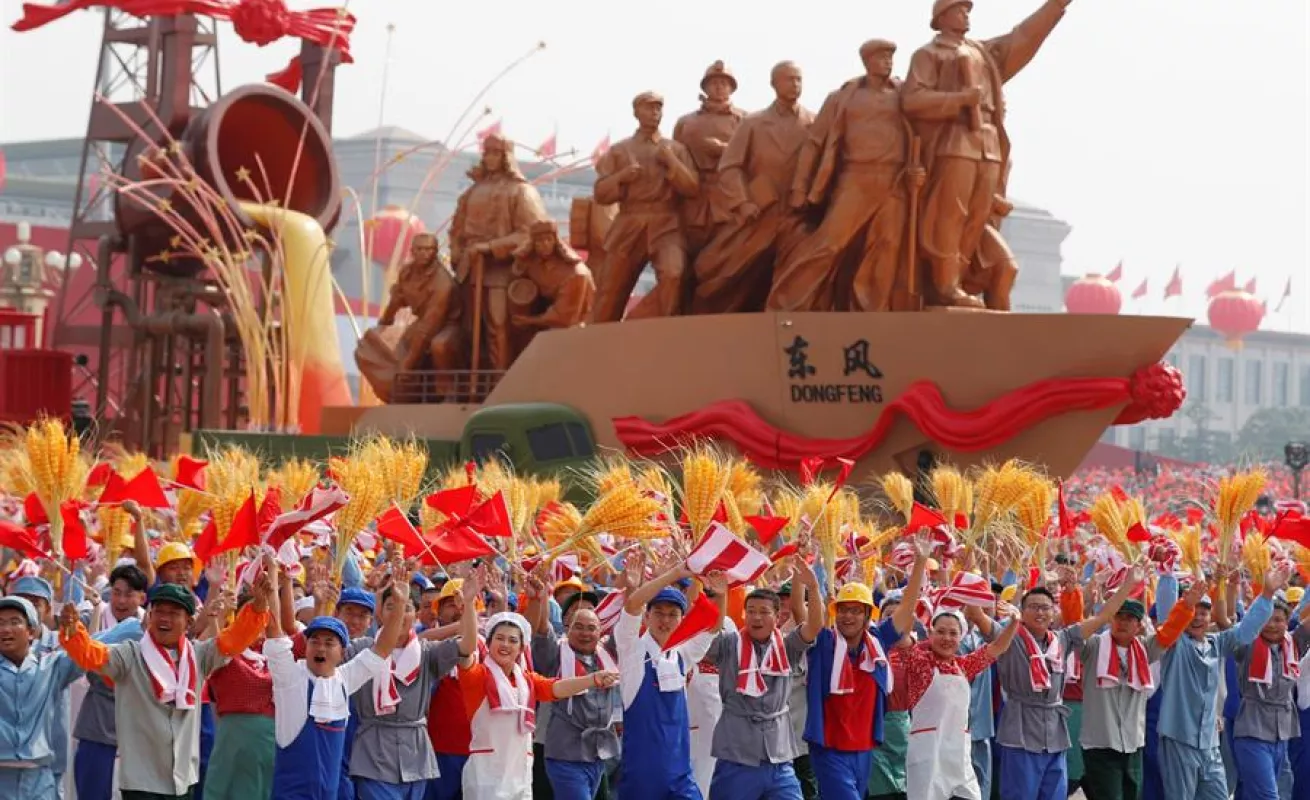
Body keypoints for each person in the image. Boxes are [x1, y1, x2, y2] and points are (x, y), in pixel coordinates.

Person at [58, 572, 272, 799]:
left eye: (174, 613)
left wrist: (258, 607)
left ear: (189, 622)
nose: (164, 619)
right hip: (142, 781)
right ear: (149, 616)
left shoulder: (199, 656)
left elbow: (234, 640)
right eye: (159, 611)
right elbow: (93, 655)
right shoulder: (131, 654)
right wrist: (73, 633)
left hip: (182, 779)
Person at [455, 573, 619, 799]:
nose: (506, 645)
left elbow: (556, 688)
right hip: (487, 776)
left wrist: (592, 679)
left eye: (513, 640)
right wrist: (468, 605)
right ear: (489, 642)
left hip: (520, 774)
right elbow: (466, 648)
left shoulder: (526, 679)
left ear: (521, 648)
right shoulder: (477, 676)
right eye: (499, 638)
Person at [992, 566, 1143, 800]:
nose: (1040, 612)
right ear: (1022, 611)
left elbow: (1103, 616)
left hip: (1054, 736)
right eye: (1033, 607)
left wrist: (1128, 585)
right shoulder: (1009, 637)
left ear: (1054, 612)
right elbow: (979, 618)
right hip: (1020, 734)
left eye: (1045, 607)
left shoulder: (1063, 639)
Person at [265, 562, 411, 799]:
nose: (320, 647)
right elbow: (274, 630)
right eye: (315, 641)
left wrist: (400, 604)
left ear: (342, 652)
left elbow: (383, 648)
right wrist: (273, 578)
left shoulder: (344, 680)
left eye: (329, 642)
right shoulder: (290, 677)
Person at [802, 542, 932, 800]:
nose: (847, 617)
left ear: (867, 615)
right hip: (829, 749)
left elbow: (906, 611)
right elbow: (803, 615)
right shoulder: (825, 642)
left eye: (855, 611)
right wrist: (811, 586)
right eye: (843, 610)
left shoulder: (878, 642)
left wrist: (920, 562)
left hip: (863, 750)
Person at [702, 556, 824, 799]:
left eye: (764, 612)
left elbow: (814, 626)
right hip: (737, 754)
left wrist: (813, 587)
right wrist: (721, 597)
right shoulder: (730, 644)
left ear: (777, 617)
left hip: (778, 756)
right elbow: (707, 637)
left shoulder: (787, 646)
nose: (756, 618)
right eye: (751, 612)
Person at [614, 554, 725, 799]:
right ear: (647, 616)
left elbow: (713, 627)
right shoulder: (633, 652)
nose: (665, 620)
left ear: (681, 620)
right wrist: (675, 574)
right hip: (642, 779)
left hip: (680, 776)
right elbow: (632, 605)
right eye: (659, 613)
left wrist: (722, 594)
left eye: (673, 614)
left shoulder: (680, 657)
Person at [1161, 570, 1278, 800]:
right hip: (1179, 739)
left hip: (1210, 743)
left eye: (1203, 613)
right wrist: (1167, 575)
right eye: (1193, 612)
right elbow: (1168, 618)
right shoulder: (1175, 643)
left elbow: (1245, 631)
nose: (1197, 617)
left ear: (1210, 617)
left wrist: (1267, 594)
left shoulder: (1216, 643)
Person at [348, 576, 463, 800]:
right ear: (379, 611)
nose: (399, 612)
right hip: (374, 754)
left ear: (416, 614)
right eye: (391, 606)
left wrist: (468, 607)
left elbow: (466, 646)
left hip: (415, 756)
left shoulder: (426, 652)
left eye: (406, 607)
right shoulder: (362, 649)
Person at [591, 92, 699, 321]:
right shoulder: (620, 150)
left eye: (658, 108)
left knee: (673, 274)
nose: (654, 113)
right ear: (636, 112)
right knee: (610, 290)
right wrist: (621, 177)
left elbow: (691, 188)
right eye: (649, 108)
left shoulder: (675, 149)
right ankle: (597, 342)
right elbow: (600, 194)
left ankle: (667, 335)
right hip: (629, 223)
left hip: (666, 223)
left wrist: (671, 162)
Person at [902, 605, 1021, 800]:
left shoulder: (964, 666)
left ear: (961, 637)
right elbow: (902, 636)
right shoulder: (919, 662)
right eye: (940, 632)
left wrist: (1014, 622)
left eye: (953, 633)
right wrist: (912, 601)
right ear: (930, 634)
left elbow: (998, 647)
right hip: (928, 754)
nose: (946, 638)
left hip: (958, 755)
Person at [73, 563, 148, 800]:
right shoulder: (89, 616)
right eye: (116, 592)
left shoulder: (155, 625)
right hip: (98, 723)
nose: (121, 600)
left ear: (142, 597)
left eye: (129, 594)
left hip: (139, 729)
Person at [0, 594, 87, 796]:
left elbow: (83, 659)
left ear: (31, 632)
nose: (5, 629)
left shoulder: (51, 666)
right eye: (0, 623)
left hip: (39, 780)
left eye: (15, 622)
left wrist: (75, 632)